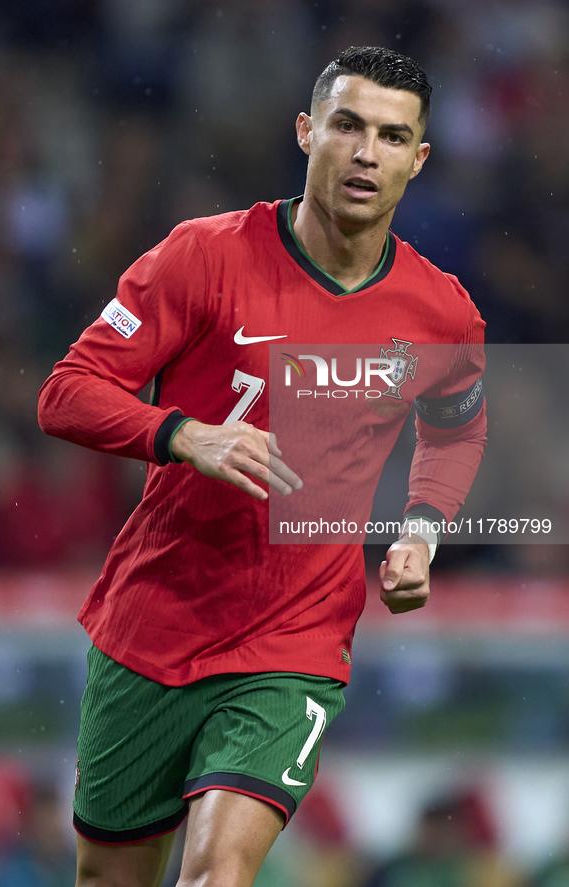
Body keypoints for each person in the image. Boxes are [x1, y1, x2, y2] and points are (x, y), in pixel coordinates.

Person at [38, 46, 487, 887]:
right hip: (154, 619)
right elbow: (67, 392)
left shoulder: (440, 313)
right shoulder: (202, 256)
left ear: (417, 159)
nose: (364, 152)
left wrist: (421, 533)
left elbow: (456, 432)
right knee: (107, 876)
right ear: (305, 130)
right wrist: (182, 433)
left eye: (391, 137)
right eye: (347, 126)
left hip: (296, 639)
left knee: (215, 875)